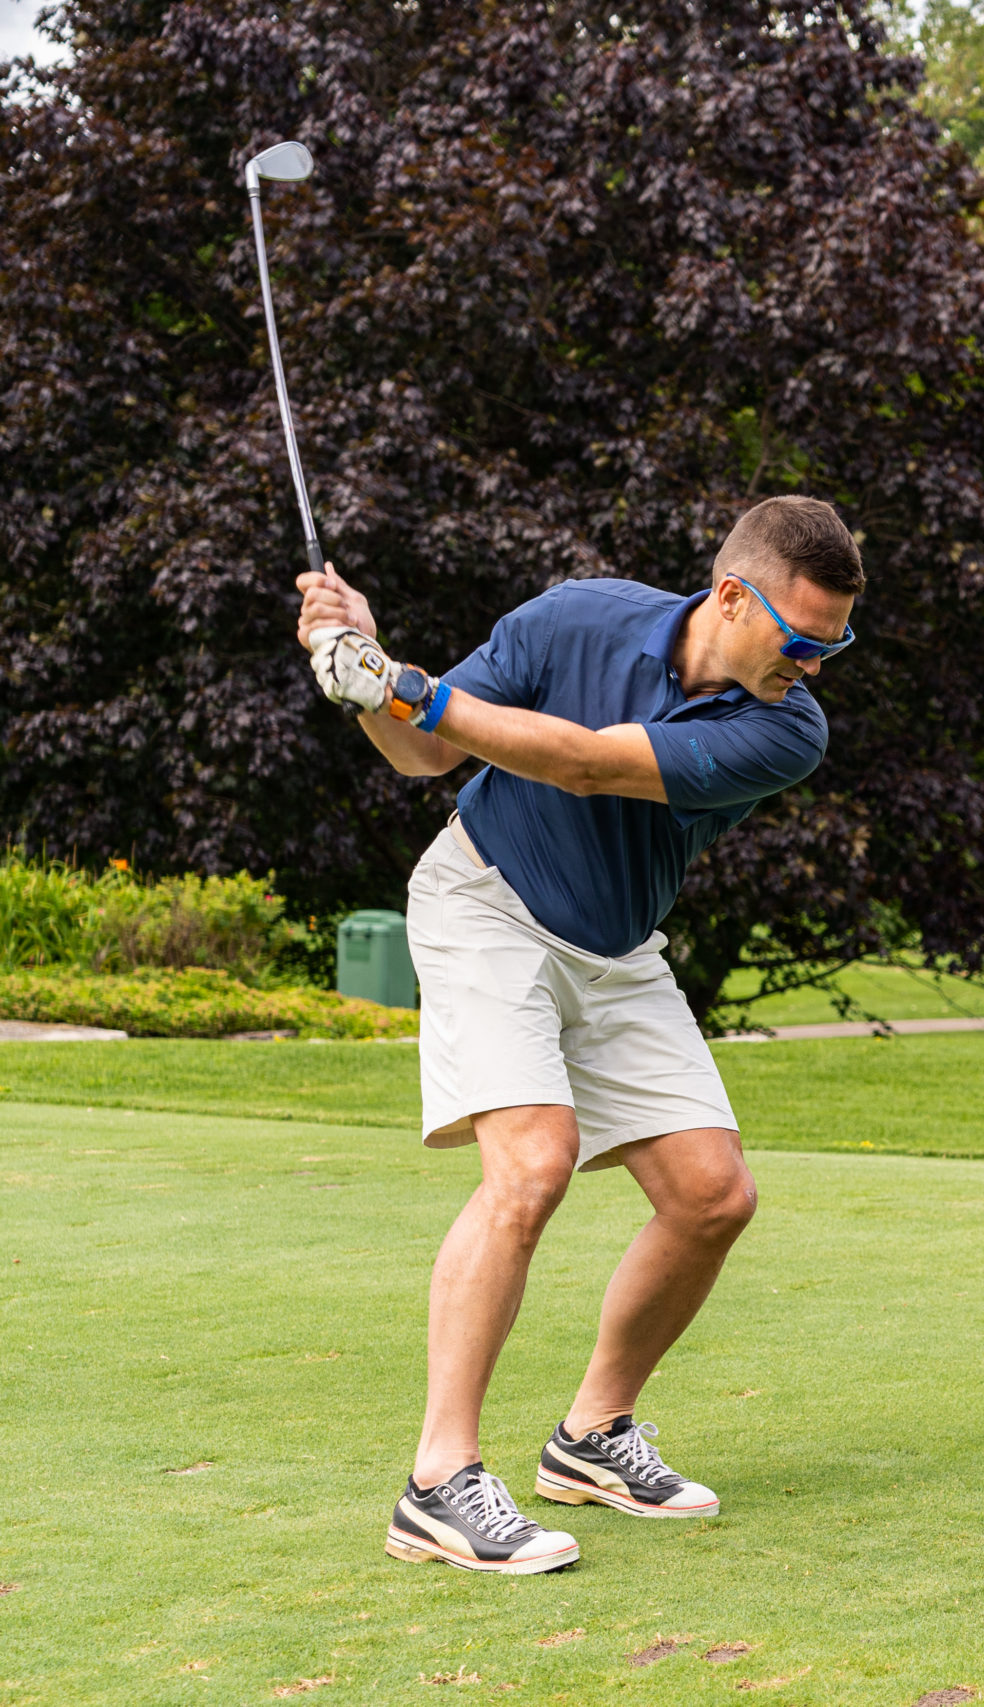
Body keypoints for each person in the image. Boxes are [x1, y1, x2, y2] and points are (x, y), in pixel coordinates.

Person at [294, 495, 862, 1574]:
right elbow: (420, 753)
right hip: (484, 901)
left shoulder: (788, 728)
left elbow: (588, 762)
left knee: (712, 1196)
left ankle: (592, 1436)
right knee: (532, 1165)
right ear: (731, 597)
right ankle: (437, 1485)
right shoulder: (577, 618)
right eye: (803, 641)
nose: (814, 666)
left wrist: (406, 683)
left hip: (615, 947)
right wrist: (362, 673)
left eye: (833, 648)